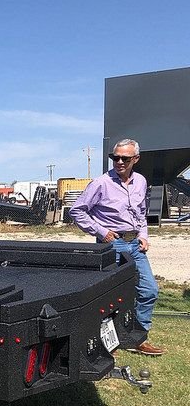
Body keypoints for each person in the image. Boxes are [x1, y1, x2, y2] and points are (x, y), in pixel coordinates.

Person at [69, 138, 164, 356]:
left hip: (135, 246)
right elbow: (77, 210)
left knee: (148, 290)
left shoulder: (140, 181)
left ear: (136, 159)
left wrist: (144, 235)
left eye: (125, 158)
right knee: (108, 298)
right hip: (111, 245)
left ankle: (138, 338)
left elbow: (141, 212)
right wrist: (102, 232)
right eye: (115, 157)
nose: (119, 161)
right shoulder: (101, 183)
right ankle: (106, 343)